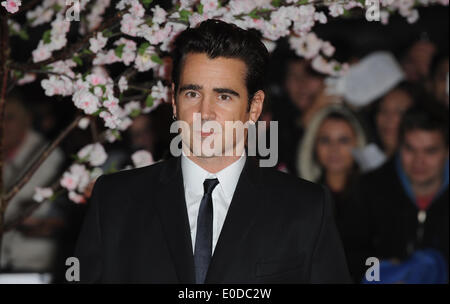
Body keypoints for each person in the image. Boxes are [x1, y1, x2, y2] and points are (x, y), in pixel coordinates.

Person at [74, 19, 351, 284]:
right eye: (192, 94)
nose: (205, 113)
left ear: (253, 108)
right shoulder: (115, 201)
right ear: (174, 101)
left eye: (224, 96)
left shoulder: (304, 207)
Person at [354, 100, 449, 282]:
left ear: (447, 151)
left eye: (430, 151)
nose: (418, 161)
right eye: (410, 149)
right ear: (399, 146)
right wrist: (384, 269)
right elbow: (347, 254)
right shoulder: (370, 188)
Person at [297, 104, 367, 281]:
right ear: (313, 145)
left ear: (358, 143)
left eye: (343, 140)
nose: (334, 149)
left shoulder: (375, 194)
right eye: (325, 140)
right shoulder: (302, 196)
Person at [1, 91, 65, 273]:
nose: (2, 124)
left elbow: (15, 206)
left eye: (9, 117)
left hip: (34, 264)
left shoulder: (46, 156)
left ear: (28, 119)